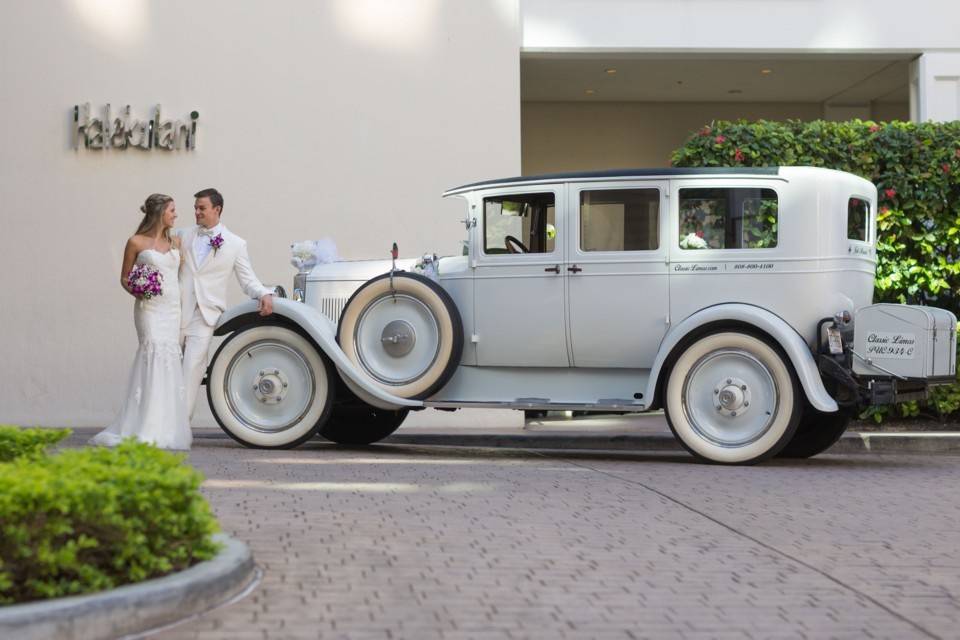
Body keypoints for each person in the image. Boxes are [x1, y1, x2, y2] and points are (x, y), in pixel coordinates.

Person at [90, 194, 192, 450]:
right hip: (149, 308)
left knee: (169, 359)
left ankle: (165, 426)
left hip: (171, 309)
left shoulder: (176, 242)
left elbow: (182, 277)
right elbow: (125, 278)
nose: (175, 215)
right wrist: (138, 290)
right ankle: (144, 425)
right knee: (152, 355)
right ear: (159, 213)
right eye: (172, 210)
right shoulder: (135, 242)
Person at [179, 188, 274, 421]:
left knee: (191, 369)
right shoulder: (182, 235)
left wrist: (264, 293)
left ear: (217, 209)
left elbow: (247, 279)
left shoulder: (235, 244)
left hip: (205, 314)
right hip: (175, 310)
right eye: (195, 208)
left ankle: (178, 425)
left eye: (202, 208)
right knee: (166, 368)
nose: (197, 212)